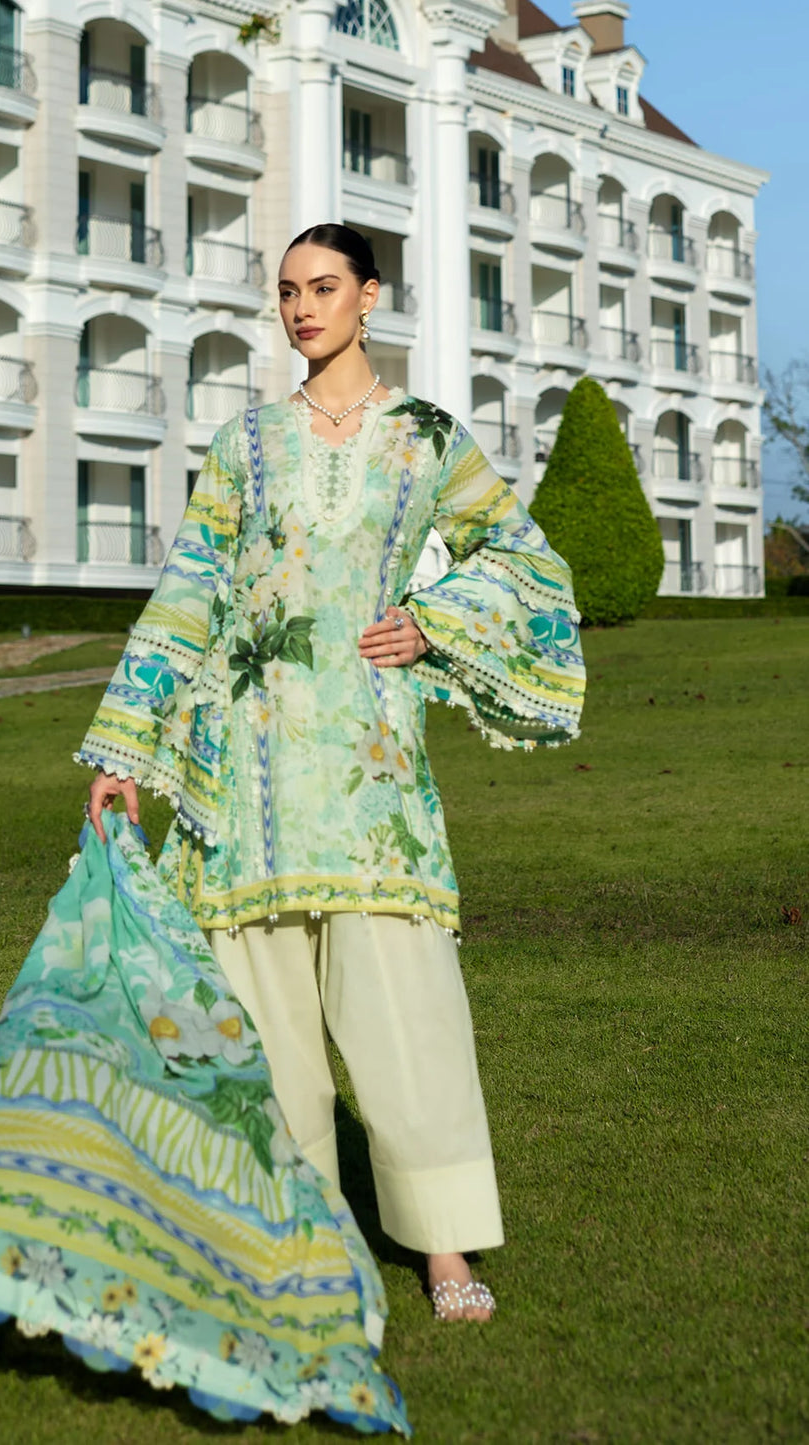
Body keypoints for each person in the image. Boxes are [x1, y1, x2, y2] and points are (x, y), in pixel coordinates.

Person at [77, 223, 586, 1324]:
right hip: (243, 775)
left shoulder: (426, 439)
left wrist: (434, 621)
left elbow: (528, 561)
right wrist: (124, 748)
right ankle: (294, 1246)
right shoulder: (247, 444)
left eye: (323, 287)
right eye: (287, 292)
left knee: (409, 1017)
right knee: (264, 1034)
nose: (302, 308)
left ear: (370, 296)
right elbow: (189, 588)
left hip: (369, 774)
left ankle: (445, 1249)